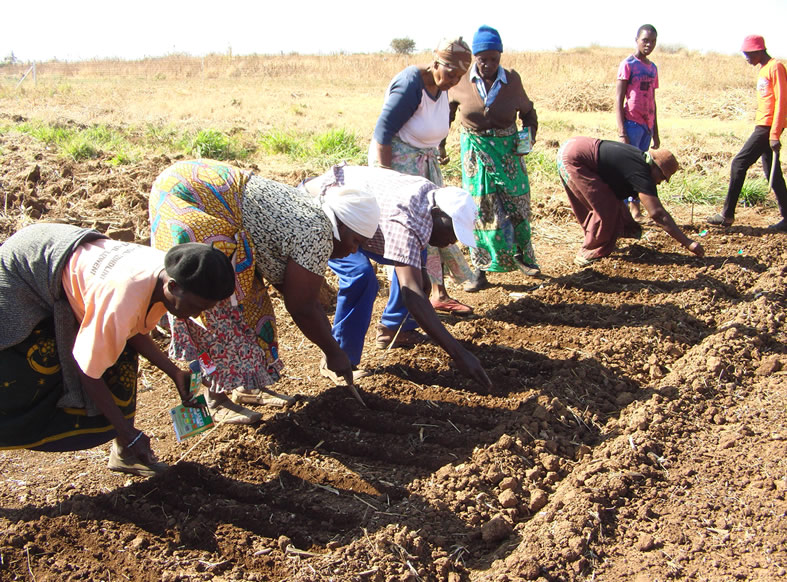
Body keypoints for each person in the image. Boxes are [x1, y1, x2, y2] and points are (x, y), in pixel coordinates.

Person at [149, 160, 380, 422]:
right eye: (355, 241)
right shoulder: (318, 233)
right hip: (193, 200)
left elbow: (297, 294)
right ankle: (216, 398)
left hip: (211, 196)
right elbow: (302, 307)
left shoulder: (316, 220)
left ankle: (247, 385)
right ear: (342, 227)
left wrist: (330, 344)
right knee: (214, 301)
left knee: (252, 303)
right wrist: (334, 353)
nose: (353, 250)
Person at [0, 222, 235, 477]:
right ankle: (127, 448)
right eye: (196, 306)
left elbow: (133, 330)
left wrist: (174, 372)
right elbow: (87, 370)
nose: (197, 314)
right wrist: (128, 433)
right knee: (26, 370)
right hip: (24, 268)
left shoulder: (167, 276)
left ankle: (125, 454)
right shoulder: (123, 298)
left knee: (117, 350)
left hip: (62, 251)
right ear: (173, 287)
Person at [302, 165, 492, 390]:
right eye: (452, 232)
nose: (452, 242)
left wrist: (419, 272)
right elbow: (411, 294)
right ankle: (340, 358)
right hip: (325, 214)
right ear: (439, 214)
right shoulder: (405, 219)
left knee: (417, 273)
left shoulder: (429, 198)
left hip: (365, 222)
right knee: (361, 277)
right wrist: (458, 354)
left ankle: (394, 328)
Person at [369, 36, 476, 316]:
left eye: (460, 76)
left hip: (424, 167)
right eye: (450, 73)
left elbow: (434, 125)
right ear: (436, 62)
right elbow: (383, 134)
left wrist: (438, 149)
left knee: (436, 230)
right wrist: (386, 180)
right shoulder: (411, 83)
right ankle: (407, 309)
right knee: (411, 237)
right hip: (399, 169)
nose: (453, 80)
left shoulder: (442, 88)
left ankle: (438, 296)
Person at [447, 24, 540, 292]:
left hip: (509, 153)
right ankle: (480, 269)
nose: (488, 64)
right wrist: (439, 145)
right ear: (475, 58)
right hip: (476, 154)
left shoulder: (511, 80)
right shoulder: (462, 81)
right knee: (481, 209)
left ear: (500, 57)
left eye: (494, 59)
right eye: (483, 59)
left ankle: (523, 257)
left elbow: (529, 114)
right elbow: (448, 114)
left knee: (517, 203)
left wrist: (528, 137)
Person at [557, 137, 705, 265]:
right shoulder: (640, 172)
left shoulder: (639, 162)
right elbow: (657, 214)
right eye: (662, 177)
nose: (660, 183)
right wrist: (688, 242)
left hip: (574, 148)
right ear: (656, 168)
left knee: (612, 203)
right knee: (606, 209)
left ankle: (603, 242)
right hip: (573, 157)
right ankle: (589, 252)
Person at [707, 35, 787, 232]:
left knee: (738, 164)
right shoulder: (763, 69)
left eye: (748, 54)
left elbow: (782, 101)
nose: (746, 58)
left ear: (759, 51)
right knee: (772, 172)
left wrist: (775, 133)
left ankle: (727, 215)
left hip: (767, 128)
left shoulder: (776, 67)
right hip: (763, 125)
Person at [616, 24, 660, 223]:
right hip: (632, 124)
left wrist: (656, 131)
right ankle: (628, 211)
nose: (648, 45)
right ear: (637, 40)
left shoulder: (652, 68)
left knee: (642, 168)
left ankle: (636, 208)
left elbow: (652, 100)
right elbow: (618, 99)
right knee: (629, 168)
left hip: (647, 125)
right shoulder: (628, 64)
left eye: (652, 41)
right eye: (645, 40)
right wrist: (622, 131)